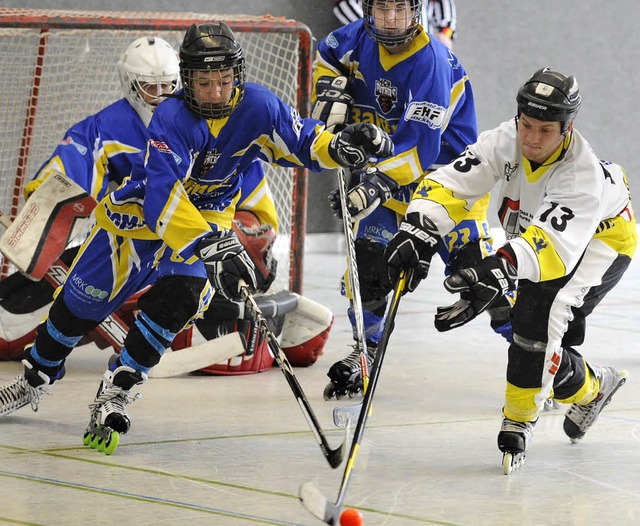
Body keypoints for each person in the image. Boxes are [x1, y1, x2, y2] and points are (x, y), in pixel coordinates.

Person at [0, 22, 392, 454]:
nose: (214, 92)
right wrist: (207, 242)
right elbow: (164, 195)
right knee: (76, 309)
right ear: (188, 81)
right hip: (133, 222)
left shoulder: (260, 107)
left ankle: (120, 387)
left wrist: (337, 146)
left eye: (223, 81)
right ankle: (34, 378)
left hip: (204, 222)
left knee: (182, 297)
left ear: (237, 76)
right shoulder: (170, 117)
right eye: (203, 82)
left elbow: (299, 140)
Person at [384, 67, 636, 472]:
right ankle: (593, 389)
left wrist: (499, 268)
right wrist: (419, 227)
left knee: (536, 317)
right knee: (540, 343)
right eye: (527, 125)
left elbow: (553, 248)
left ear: (567, 129)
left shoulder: (581, 176)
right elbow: (452, 183)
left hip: (599, 241)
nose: (532, 140)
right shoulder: (505, 140)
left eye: (545, 130)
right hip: (538, 239)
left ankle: (518, 420)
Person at [0, 36, 285, 372]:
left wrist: (232, 239)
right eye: (152, 87)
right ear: (131, 87)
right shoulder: (106, 127)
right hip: (134, 244)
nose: (162, 95)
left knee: (233, 255)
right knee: (24, 315)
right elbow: (63, 176)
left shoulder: (218, 125)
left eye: (170, 85)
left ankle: (166, 319)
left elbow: (255, 213)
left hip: (196, 245)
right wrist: (46, 205)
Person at [312, 0, 500, 399]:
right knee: (367, 271)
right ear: (368, 10)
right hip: (393, 186)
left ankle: (549, 366)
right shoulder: (354, 39)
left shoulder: (431, 62)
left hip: (448, 191)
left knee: (484, 285)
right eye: (382, 8)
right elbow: (327, 54)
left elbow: (420, 149)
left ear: (417, 11)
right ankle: (367, 350)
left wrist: (376, 184)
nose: (392, 19)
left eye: (401, 8)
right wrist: (331, 89)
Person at [332, 0, 457, 49]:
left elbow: (446, 21)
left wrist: (445, 35)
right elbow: (343, 4)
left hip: (422, 49)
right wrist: (374, 29)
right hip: (375, 48)